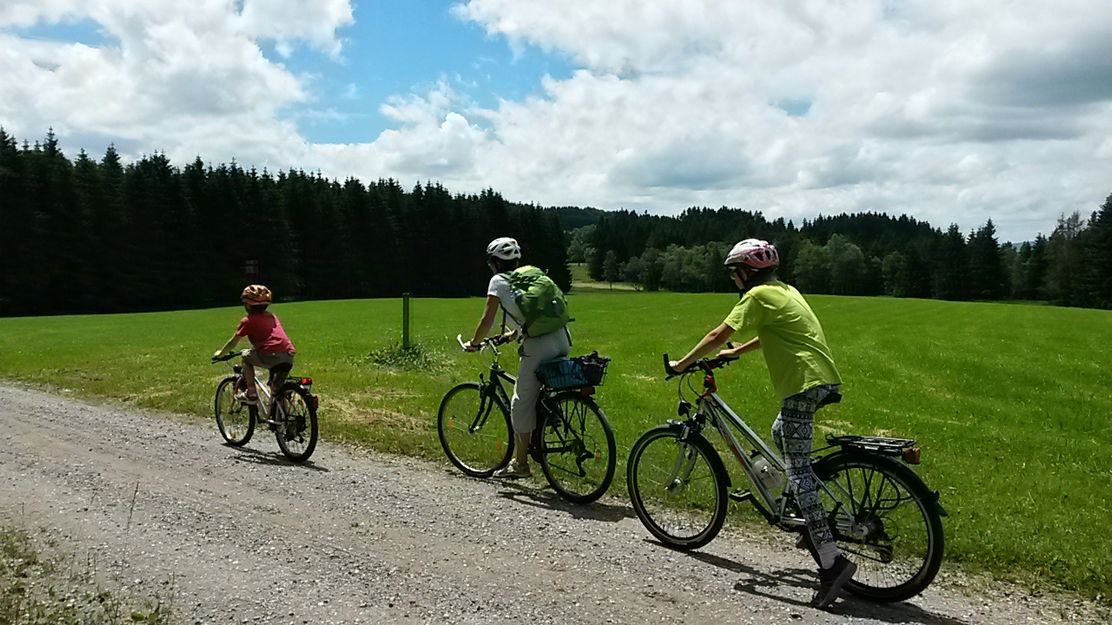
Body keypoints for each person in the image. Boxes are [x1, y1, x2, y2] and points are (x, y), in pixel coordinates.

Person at [667, 238, 854, 609]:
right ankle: (808, 515)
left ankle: (832, 562)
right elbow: (776, 333)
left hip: (803, 384)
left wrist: (682, 365)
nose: (733, 280)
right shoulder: (785, 290)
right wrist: (737, 352)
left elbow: (717, 334)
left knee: (798, 471)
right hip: (822, 378)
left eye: (734, 273)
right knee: (779, 433)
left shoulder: (754, 297)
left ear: (744, 272)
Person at [464, 237, 571, 479]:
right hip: (562, 337)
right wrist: (513, 335)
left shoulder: (498, 281)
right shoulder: (530, 273)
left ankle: (520, 465)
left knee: (520, 402)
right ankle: (547, 420)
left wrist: (475, 342)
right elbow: (536, 313)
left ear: (494, 263)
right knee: (541, 392)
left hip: (538, 345)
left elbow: (488, 318)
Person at [213, 284, 297, 405]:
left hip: (270, 355)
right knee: (277, 389)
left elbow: (233, 342)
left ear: (247, 304)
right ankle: (282, 421)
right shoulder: (272, 316)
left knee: (246, 357)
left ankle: (251, 392)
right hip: (288, 354)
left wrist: (220, 354)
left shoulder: (248, 320)